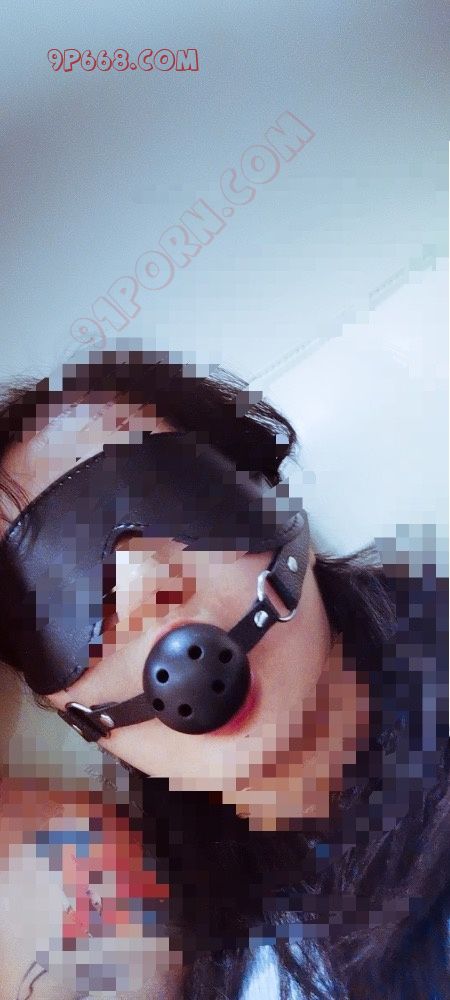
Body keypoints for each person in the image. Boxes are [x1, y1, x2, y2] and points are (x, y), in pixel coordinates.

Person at [0, 345, 448, 999]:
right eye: (55, 591)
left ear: (273, 499)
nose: (145, 586)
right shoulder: (189, 948)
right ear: (61, 708)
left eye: (175, 494)